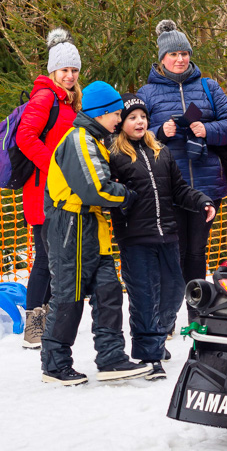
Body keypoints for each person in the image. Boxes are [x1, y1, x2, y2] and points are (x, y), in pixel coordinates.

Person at [40, 81, 149, 386]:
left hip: (93, 228)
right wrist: (127, 194)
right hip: (71, 227)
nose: (119, 118)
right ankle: (54, 363)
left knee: (108, 292)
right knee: (69, 296)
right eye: (116, 113)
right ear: (101, 113)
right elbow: (95, 189)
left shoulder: (95, 140)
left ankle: (111, 358)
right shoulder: (79, 140)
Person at [108, 94, 216, 380]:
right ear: (122, 124)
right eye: (132, 117)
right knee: (144, 297)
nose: (139, 121)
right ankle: (149, 356)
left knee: (173, 291)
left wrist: (201, 201)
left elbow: (179, 189)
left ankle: (156, 338)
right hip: (136, 238)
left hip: (168, 235)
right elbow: (108, 193)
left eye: (142, 116)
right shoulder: (114, 156)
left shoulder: (161, 151)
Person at [137, 20, 227, 286]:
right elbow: (132, 134)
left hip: (207, 184)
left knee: (197, 251)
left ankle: (195, 308)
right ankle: (171, 313)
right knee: (175, 250)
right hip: (169, 186)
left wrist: (207, 129)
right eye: (173, 54)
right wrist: (160, 132)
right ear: (162, 59)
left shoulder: (209, 87)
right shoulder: (147, 93)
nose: (180, 59)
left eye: (184, 53)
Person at [16, 28, 81, 349]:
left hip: (59, 191)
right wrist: (56, 165)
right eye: (64, 70)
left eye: (73, 70)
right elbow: (25, 137)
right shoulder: (44, 97)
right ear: (53, 70)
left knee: (56, 256)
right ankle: (33, 325)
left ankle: (48, 317)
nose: (69, 75)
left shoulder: (67, 100)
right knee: (45, 258)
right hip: (43, 190)